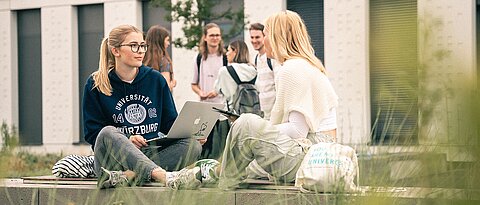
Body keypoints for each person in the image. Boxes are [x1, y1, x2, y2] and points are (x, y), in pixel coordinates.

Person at [168, 10, 339, 190]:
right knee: (243, 159)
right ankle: (199, 175)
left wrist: (253, 127)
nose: (263, 41)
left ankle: (217, 181)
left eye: (265, 34)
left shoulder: (291, 69)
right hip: (315, 154)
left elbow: (297, 131)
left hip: (305, 157)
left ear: (277, 37)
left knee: (247, 123)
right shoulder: (307, 65)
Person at [82, 24, 202, 189]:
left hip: (148, 153)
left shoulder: (156, 80)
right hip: (112, 162)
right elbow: (92, 133)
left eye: (143, 45)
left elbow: (169, 124)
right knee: (108, 131)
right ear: (116, 51)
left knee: (192, 146)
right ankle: (163, 176)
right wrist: (126, 139)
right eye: (134, 45)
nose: (140, 50)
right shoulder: (95, 83)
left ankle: (129, 176)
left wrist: (192, 132)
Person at [191, 23, 230, 159]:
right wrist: (200, 93)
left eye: (217, 35)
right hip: (205, 109)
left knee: (222, 147)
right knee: (205, 147)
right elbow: (194, 84)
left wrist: (217, 91)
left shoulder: (226, 57)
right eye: (212, 35)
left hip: (222, 110)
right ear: (205, 37)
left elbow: (230, 83)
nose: (215, 38)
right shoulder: (199, 58)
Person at [214, 40, 257, 111]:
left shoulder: (225, 71)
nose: (227, 54)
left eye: (228, 50)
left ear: (235, 51)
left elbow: (217, 89)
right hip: (251, 114)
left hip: (231, 114)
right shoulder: (253, 70)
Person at [249, 23, 277, 120]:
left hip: (275, 115)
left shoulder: (273, 58)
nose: (254, 40)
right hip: (262, 114)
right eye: (252, 37)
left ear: (264, 37)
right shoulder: (255, 59)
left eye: (257, 37)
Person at [144, 25, 176, 91]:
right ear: (160, 41)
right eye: (167, 40)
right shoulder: (163, 61)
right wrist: (172, 84)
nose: (168, 43)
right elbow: (165, 87)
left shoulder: (141, 59)